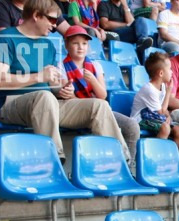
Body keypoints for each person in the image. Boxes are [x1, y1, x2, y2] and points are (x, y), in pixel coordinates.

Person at [0, 0, 131, 161]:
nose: (55, 25)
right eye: (51, 19)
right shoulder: (5, 38)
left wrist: (63, 88)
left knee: (99, 105)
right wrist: (39, 77)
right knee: (44, 97)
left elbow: (51, 84)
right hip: (11, 103)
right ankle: (54, 158)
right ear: (36, 15)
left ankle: (120, 159)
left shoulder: (48, 45)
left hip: (47, 104)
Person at [57, 25, 140, 161]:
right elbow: (69, 97)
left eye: (84, 43)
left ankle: (129, 165)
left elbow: (103, 95)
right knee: (100, 108)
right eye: (75, 43)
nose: (80, 47)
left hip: (99, 109)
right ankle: (118, 159)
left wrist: (93, 80)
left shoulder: (96, 66)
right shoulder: (61, 66)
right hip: (78, 111)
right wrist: (80, 98)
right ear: (66, 45)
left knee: (132, 126)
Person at [131, 51, 179, 150]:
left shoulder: (162, 86)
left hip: (153, 116)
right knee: (165, 128)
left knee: (178, 130)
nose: (172, 72)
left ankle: (177, 158)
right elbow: (161, 111)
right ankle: (157, 155)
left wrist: (168, 116)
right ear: (161, 73)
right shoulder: (149, 90)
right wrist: (168, 92)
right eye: (170, 69)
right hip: (140, 119)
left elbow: (163, 109)